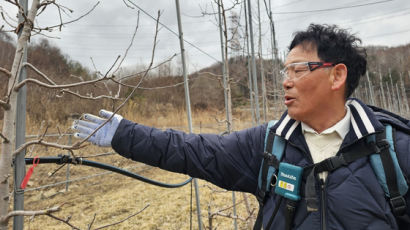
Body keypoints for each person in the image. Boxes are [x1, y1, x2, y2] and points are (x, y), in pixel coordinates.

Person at [72, 24, 410, 229]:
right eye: (284, 72)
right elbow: (193, 150)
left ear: (337, 75)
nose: (286, 83)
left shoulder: (395, 151)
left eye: (297, 70)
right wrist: (124, 133)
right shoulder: (268, 146)